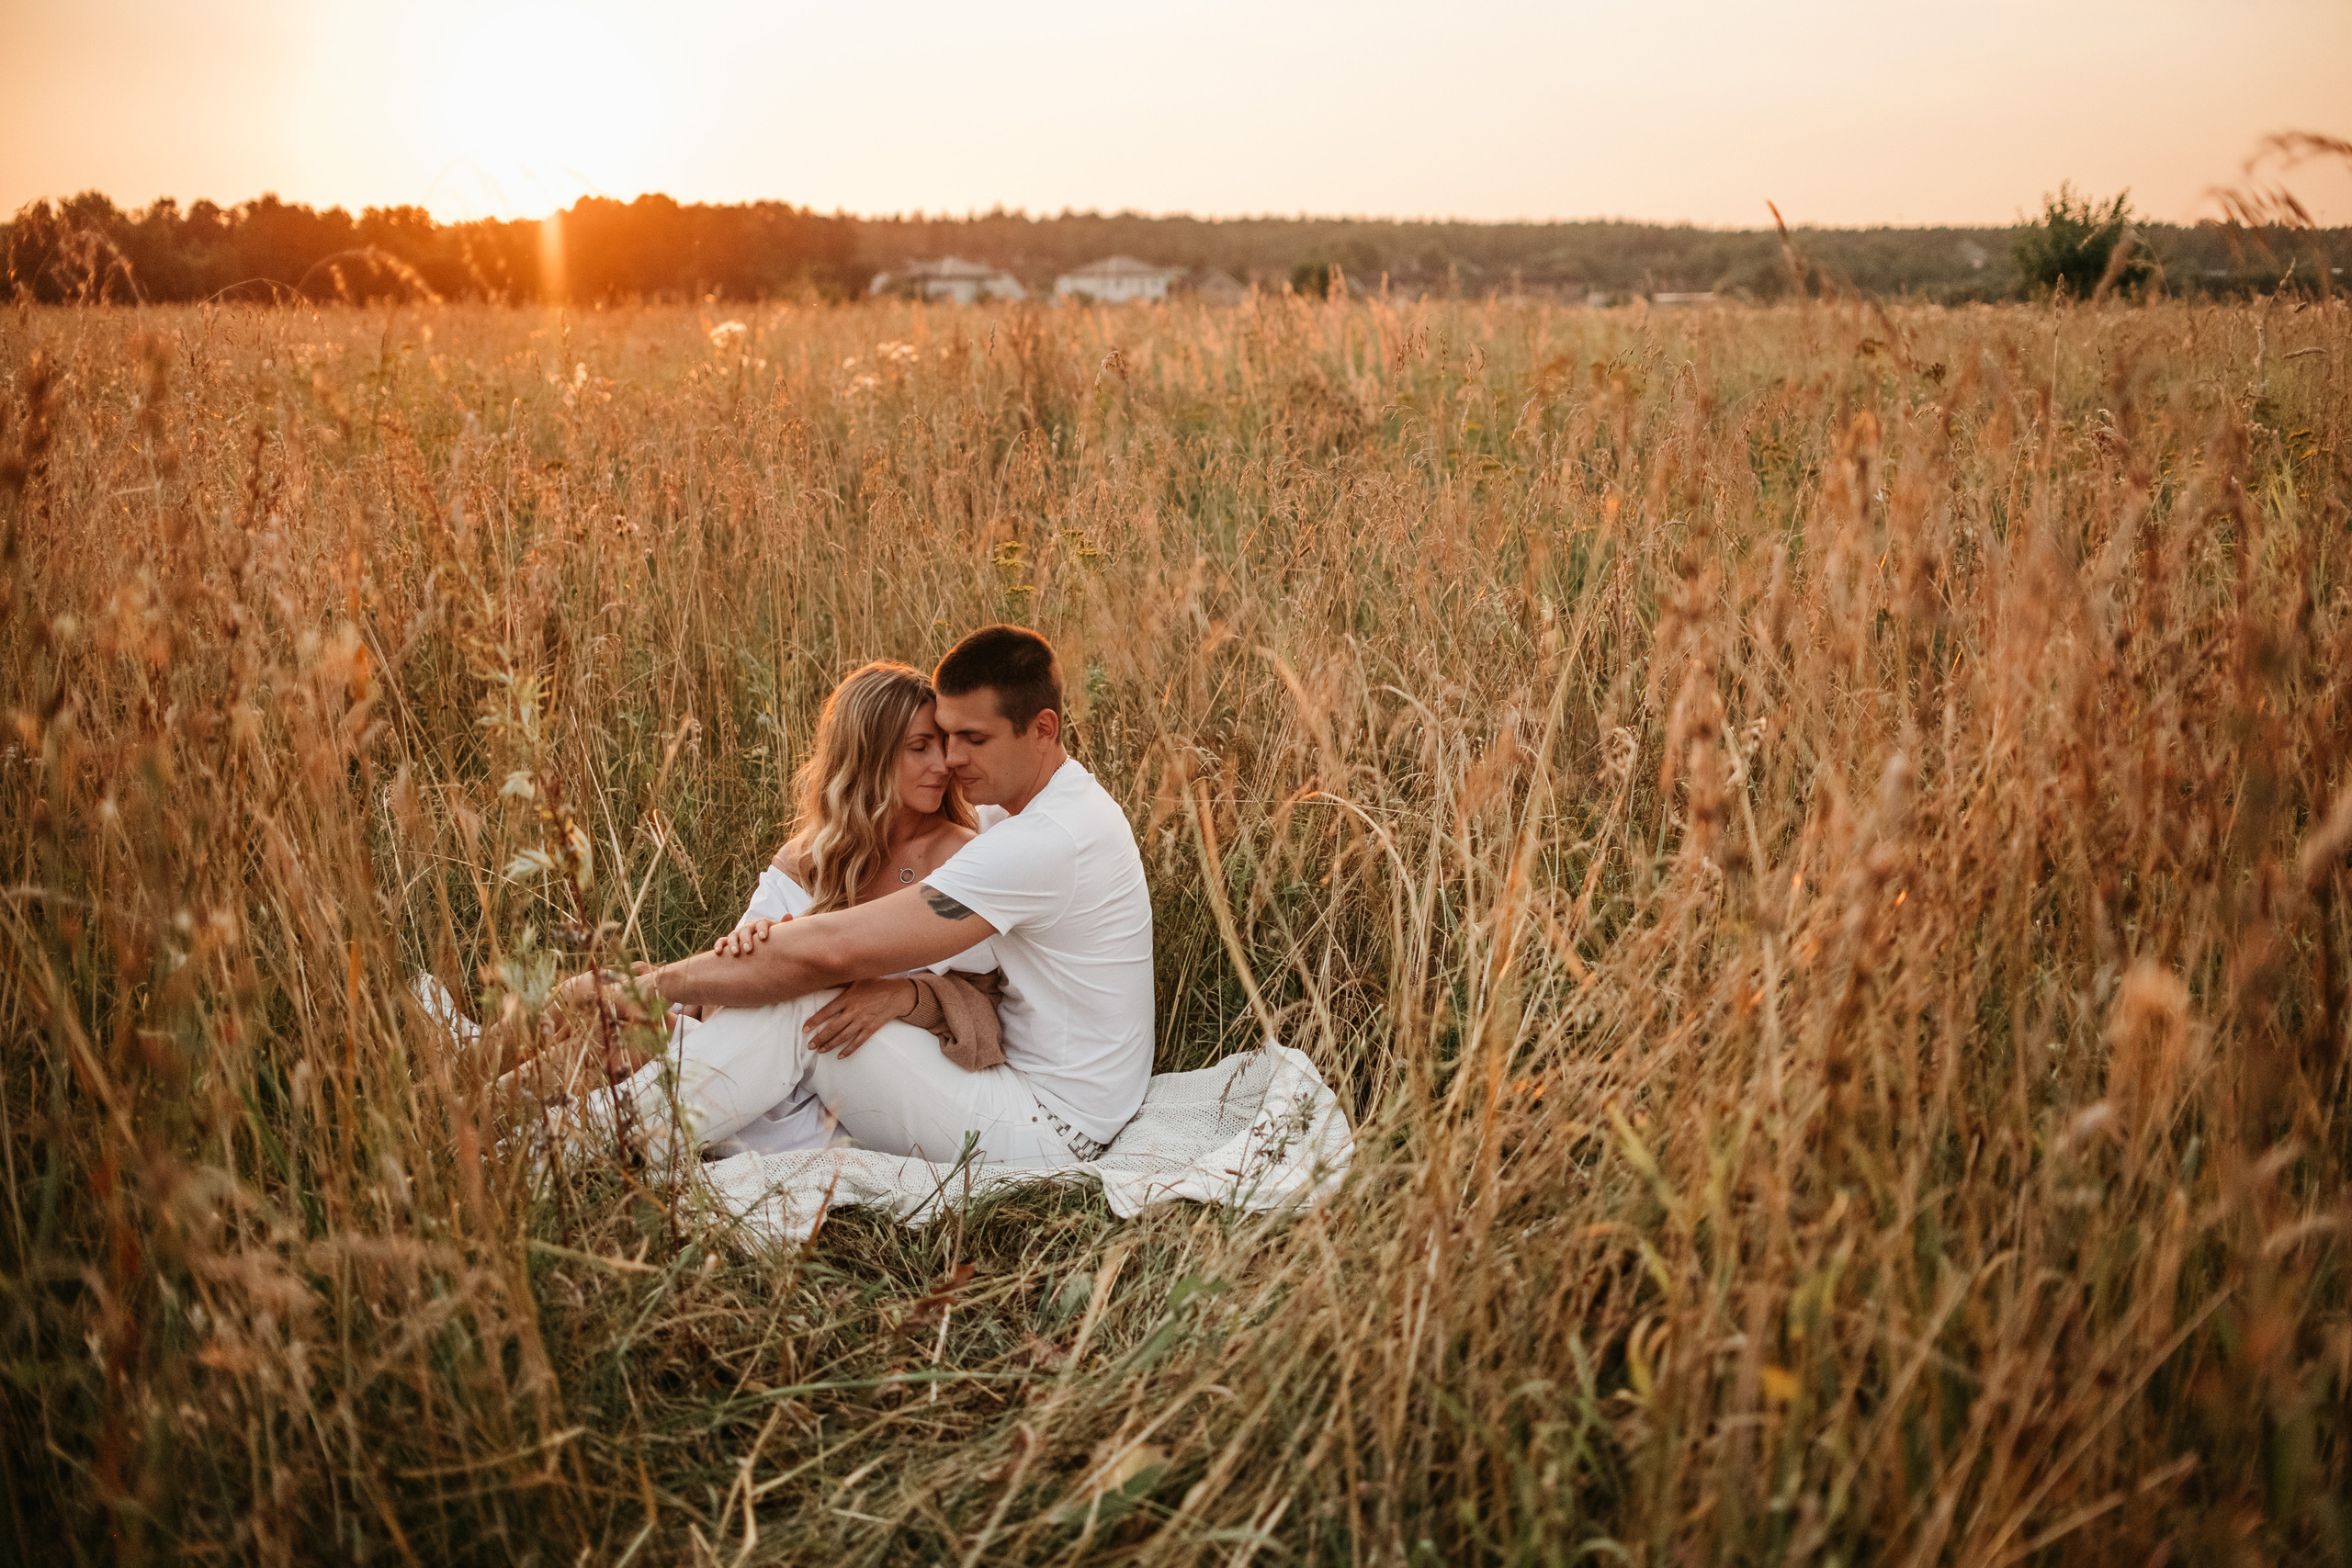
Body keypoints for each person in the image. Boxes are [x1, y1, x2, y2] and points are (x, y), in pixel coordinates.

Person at [555, 625, 1155, 1168]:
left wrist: (649, 985)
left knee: (805, 998)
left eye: (972, 738)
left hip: (1051, 1128)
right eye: (943, 738)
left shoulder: (1045, 839)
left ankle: (578, 1146)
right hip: (1038, 1094)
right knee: (802, 996)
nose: (950, 760)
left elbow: (834, 951)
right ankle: (596, 1128)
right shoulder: (1036, 806)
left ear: (1043, 729)